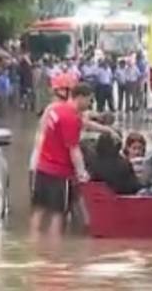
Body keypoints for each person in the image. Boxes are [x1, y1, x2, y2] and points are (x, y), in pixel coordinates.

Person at [30, 83, 94, 236]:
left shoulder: (55, 109)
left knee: (39, 210)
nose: (90, 104)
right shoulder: (71, 118)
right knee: (58, 214)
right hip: (59, 173)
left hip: (42, 167)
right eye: (89, 100)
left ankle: (33, 244)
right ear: (80, 97)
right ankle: (56, 253)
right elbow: (73, 148)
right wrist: (82, 173)